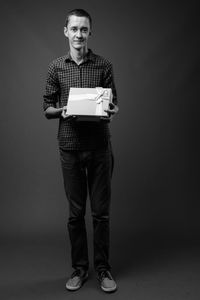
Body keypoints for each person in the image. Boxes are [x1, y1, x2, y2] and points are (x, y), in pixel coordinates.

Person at [43, 8, 119, 293]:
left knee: (101, 214)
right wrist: (62, 111)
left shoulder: (103, 65)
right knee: (76, 215)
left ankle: (103, 270)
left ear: (90, 32)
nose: (79, 34)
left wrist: (109, 108)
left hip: (100, 147)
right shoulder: (55, 67)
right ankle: (79, 269)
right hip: (70, 149)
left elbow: (114, 105)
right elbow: (46, 108)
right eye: (74, 29)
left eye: (84, 29)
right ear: (66, 31)